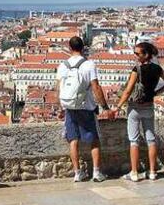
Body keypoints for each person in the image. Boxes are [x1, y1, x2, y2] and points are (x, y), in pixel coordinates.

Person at [57, 36, 115, 182]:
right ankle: (96, 173)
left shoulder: (63, 65)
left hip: (70, 107)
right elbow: (95, 87)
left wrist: (61, 107)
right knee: (94, 140)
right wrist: (105, 107)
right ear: (83, 48)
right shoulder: (89, 65)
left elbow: (59, 88)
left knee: (73, 140)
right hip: (87, 107)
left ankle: (77, 173)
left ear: (69, 48)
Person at [113, 42, 164, 181]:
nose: (135, 56)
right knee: (151, 139)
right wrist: (156, 92)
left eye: (137, 54)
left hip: (135, 107)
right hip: (149, 106)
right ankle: (153, 171)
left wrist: (117, 107)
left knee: (134, 140)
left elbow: (128, 90)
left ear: (146, 55)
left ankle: (134, 173)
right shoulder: (158, 69)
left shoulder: (137, 70)